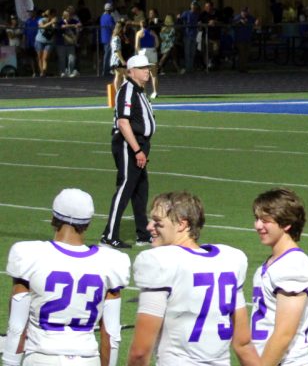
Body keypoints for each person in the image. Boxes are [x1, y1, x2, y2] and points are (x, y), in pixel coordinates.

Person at [127, 191, 258, 366]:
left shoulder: (161, 262)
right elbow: (243, 344)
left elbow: (140, 352)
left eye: (158, 222)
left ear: (181, 225)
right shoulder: (230, 261)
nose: (150, 226)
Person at [3, 188, 129, 366]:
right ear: (88, 223)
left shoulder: (30, 254)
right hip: (87, 359)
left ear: (53, 219)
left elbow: (17, 328)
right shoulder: (110, 262)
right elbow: (111, 335)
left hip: (42, 356)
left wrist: (10, 363)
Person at [250, 188, 308, 366]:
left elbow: (284, 334)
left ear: (286, 224)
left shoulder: (292, 265)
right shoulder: (276, 261)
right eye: (257, 219)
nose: (258, 226)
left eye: (265, 221)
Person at [101, 53, 156, 248]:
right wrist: (137, 150)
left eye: (148, 68)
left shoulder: (138, 90)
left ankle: (142, 233)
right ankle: (109, 235)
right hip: (128, 143)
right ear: (132, 72)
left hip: (138, 144)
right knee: (125, 187)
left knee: (140, 189)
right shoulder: (128, 90)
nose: (147, 71)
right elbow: (123, 123)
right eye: (143, 68)